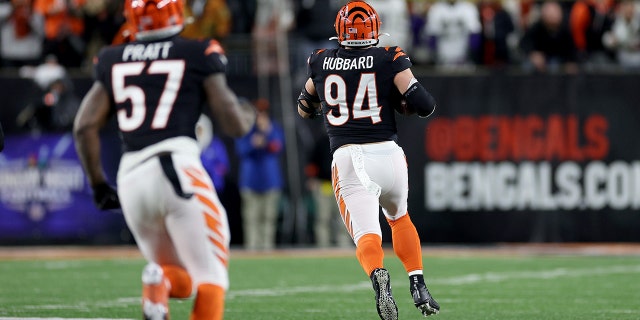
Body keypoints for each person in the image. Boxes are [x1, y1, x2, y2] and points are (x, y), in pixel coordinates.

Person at [72, 0, 256, 319]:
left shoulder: (112, 58)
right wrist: (249, 114)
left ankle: (158, 284)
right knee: (211, 278)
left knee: (179, 278)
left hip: (131, 178)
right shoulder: (198, 52)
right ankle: (159, 282)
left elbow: (84, 126)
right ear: (176, 16)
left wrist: (99, 184)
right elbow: (234, 124)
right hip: (176, 168)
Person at [296, 1, 440, 319]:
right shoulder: (390, 57)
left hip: (349, 157)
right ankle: (417, 281)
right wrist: (397, 98)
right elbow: (424, 104)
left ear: (340, 31)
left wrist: (325, 105)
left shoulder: (320, 61)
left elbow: (304, 107)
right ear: (375, 30)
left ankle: (378, 276)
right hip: (388, 154)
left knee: (367, 234)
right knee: (400, 218)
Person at [235, 98, 285, 251]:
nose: (261, 116)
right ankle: (252, 251)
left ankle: (267, 250)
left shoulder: (273, 128)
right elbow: (240, 151)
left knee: (269, 220)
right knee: (252, 219)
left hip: (270, 182)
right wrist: (253, 143)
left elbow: (278, 147)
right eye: (259, 113)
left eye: (264, 113)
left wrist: (267, 133)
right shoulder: (246, 129)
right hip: (250, 182)